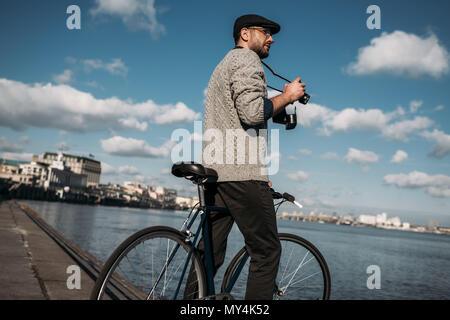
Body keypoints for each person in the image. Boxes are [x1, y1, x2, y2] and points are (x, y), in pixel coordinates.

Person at [188, 14, 306, 300]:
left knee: (210, 256)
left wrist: (280, 109)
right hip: (243, 173)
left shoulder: (224, 64)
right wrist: (289, 96)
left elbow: (241, 112)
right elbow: (252, 112)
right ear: (245, 34)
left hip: (217, 174)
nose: (271, 38)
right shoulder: (246, 61)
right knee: (266, 252)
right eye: (265, 32)